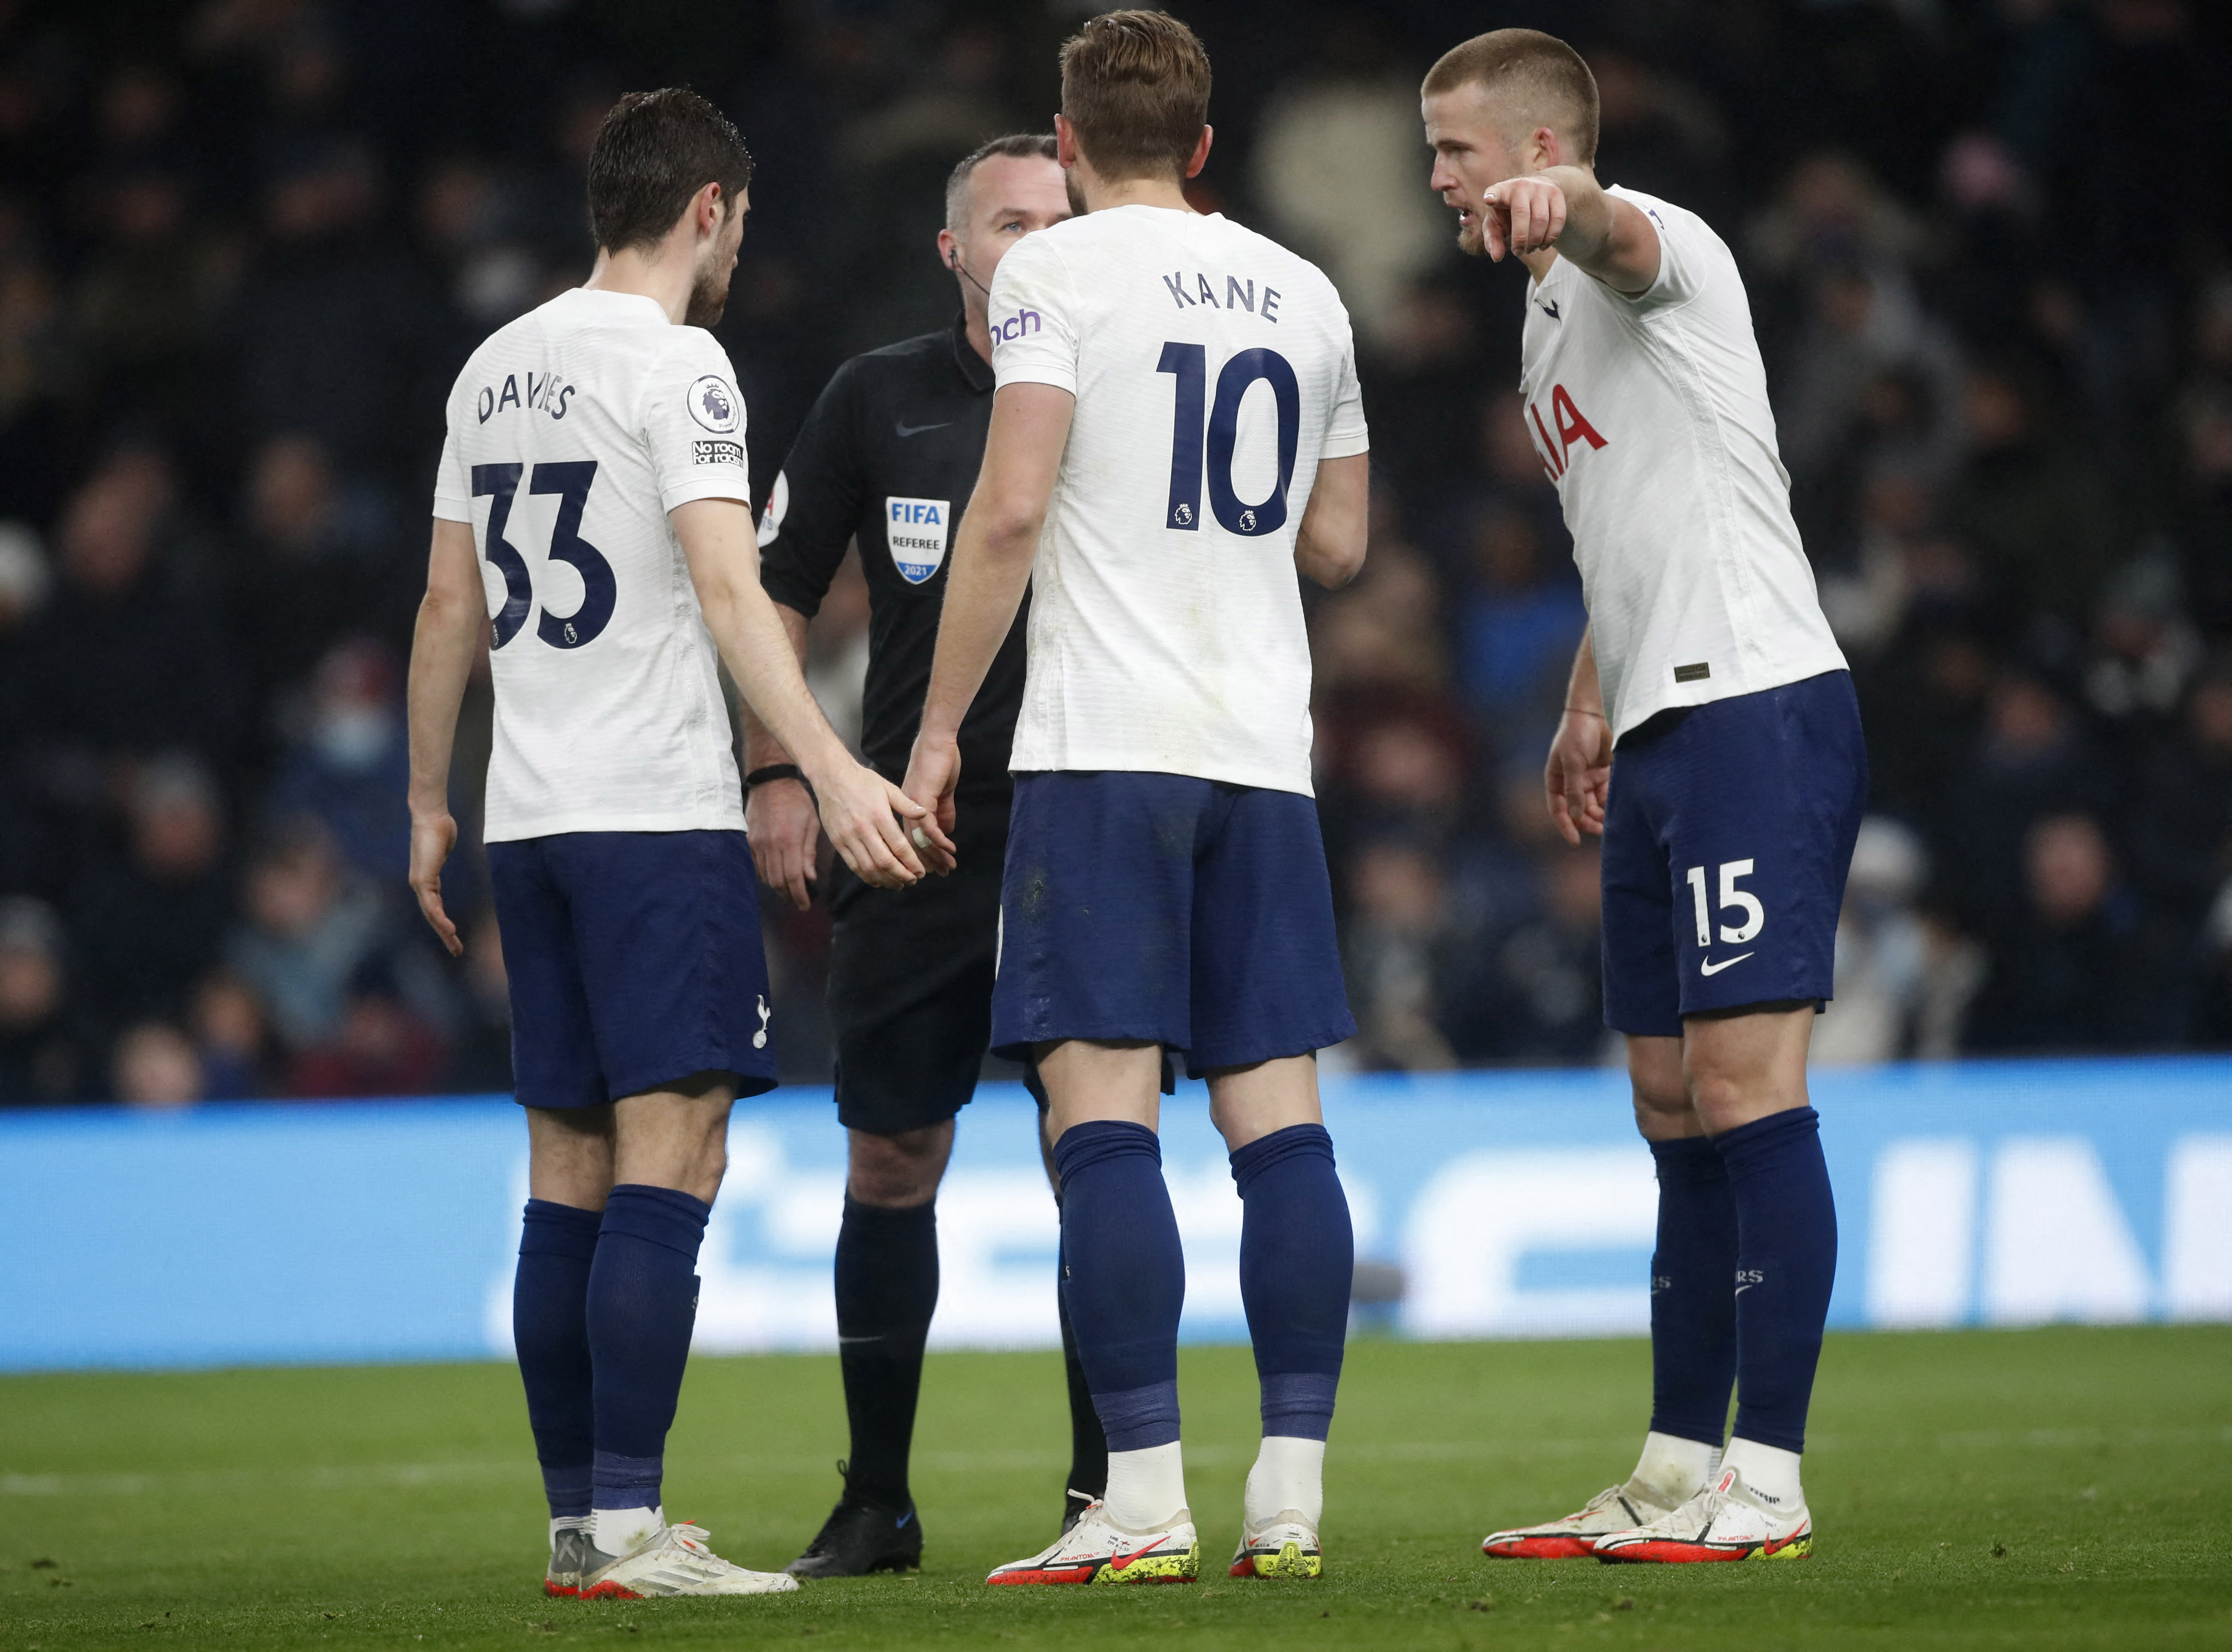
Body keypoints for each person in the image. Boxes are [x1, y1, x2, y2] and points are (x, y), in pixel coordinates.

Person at [405, 88, 935, 1602]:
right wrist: (831, 767)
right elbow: (726, 593)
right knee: (675, 1151)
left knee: (563, 1169)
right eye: (740, 226)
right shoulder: (684, 365)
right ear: (708, 209)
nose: (736, 254)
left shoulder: (492, 364)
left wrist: (430, 799)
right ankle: (632, 1529)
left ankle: (580, 1525)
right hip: (652, 814)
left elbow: (450, 610)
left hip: (532, 819)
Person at [901, 11, 1371, 1587]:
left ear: (1071, 137)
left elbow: (1015, 502)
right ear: (1207, 142)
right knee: (1278, 1128)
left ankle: (1147, 1499)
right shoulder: (1305, 292)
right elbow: (1340, 546)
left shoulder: (1052, 275)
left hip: (1107, 747)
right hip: (1262, 751)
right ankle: (1290, 1498)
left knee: (1101, 1121)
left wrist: (939, 727)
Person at [1424, 30, 1863, 1564]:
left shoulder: (1660, 254)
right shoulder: (1544, 323)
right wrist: (1587, 701)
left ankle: (1773, 1477)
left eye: (1457, 153)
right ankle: (1678, 1465)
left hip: (1756, 704)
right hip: (1662, 723)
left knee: (1750, 1089)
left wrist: (1576, 205)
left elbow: (1617, 225)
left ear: (1538, 148)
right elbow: (1631, 520)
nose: (1438, 182)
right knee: (1671, 1103)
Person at [744, 132, 1107, 1577]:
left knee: (1102, 1152)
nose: (1035, 245)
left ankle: (1109, 1493)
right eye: (1007, 224)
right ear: (953, 249)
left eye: (1058, 222)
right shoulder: (873, 395)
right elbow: (773, 586)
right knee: (892, 1155)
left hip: (1086, 823)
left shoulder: (1124, 388)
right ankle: (877, 1502)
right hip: (913, 827)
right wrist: (781, 768)